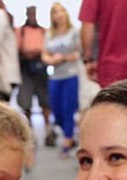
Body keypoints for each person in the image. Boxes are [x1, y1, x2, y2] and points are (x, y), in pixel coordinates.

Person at [42, 2, 80, 157]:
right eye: (55, 12)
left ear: (66, 13)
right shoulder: (49, 33)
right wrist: (50, 60)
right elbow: (44, 53)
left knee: (68, 108)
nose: (59, 14)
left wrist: (64, 57)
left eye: (61, 11)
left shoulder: (74, 32)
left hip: (71, 75)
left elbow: (79, 54)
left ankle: (67, 141)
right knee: (56, 111)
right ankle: (69, 135)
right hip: (55, 76)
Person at [16, 5, 55, 147]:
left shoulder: (43, 31)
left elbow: (48, 50)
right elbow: (18, 50)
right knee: (26, 103)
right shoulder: (21, 32)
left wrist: (38, 53)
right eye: (30, 13)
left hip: (41, 70)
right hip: (26, 70)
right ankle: (30, 134)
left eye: (34, 13)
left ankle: (49, 132)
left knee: (45, 102)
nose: (32, 16)